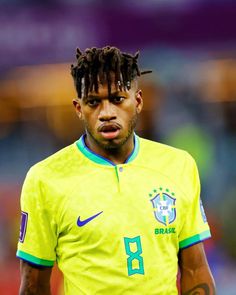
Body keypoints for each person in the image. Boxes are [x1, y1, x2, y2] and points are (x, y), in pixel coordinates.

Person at [17, 46, 216, 295]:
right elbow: (33, 284)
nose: (107, 113)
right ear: (79, 108)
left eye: (117, 99)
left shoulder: (178, 165)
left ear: (138, 101)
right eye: (93, 103)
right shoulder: (45, 179)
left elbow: (194, 269)